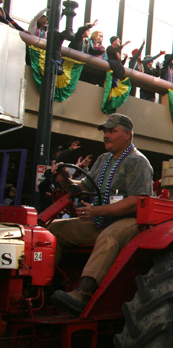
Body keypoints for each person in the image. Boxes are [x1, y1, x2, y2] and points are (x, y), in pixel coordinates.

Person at [49, 114, 153, 315]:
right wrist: (62, 178)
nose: (106, 135)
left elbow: (136, 201)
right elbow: (82, 188)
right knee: (54, 229)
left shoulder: (137, 161)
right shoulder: (103, 160)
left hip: (129, 221)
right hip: (100, 219)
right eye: (105, 131)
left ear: (127, 135)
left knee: (109, 237)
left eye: (112, 131)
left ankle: (83, 293)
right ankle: (48, 285)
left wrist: (96, 210)